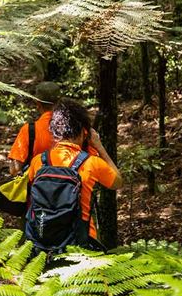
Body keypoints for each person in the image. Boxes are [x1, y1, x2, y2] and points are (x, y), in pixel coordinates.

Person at [26, 100, 122, 249]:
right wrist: (99, 146)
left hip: (42, 243)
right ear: (85, 132)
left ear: (54, 131)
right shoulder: (92, 163)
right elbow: (118, 182)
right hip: (81, 244)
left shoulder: (38, 162)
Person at [7, 81, 61, 176]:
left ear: (38, 103)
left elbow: (14, 169)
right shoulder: (74, 126)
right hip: (71, 188)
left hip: (38, 187)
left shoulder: (29, 130)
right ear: (60, 102)